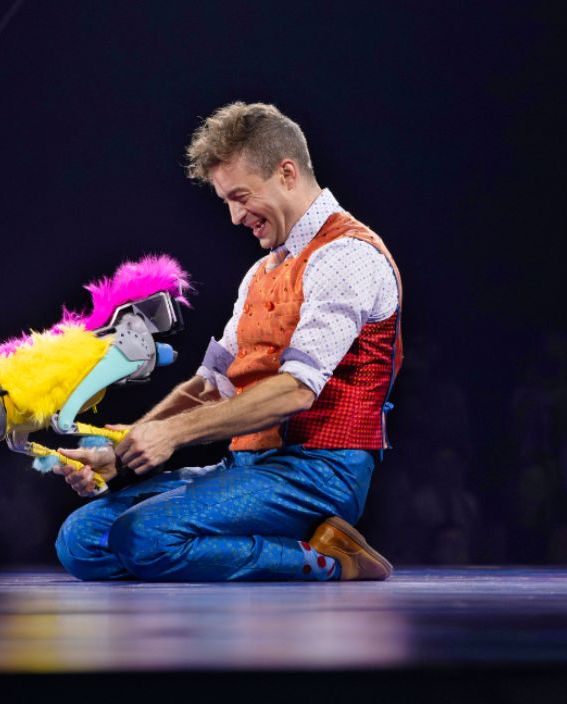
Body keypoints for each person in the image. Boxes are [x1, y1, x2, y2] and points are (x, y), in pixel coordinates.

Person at [53, 102, 401, 582]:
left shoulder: (347, 256)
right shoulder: (261, 271)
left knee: (142, 536)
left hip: (320, 473)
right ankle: (262, 547)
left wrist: (173, 434)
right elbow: (210, 385)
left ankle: (330, 561)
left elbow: (297, 390)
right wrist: (123, 453)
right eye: (226, 202)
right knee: (80, 541)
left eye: (241, 196)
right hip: (247, 466)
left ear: (286, 173)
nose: (236, 217)